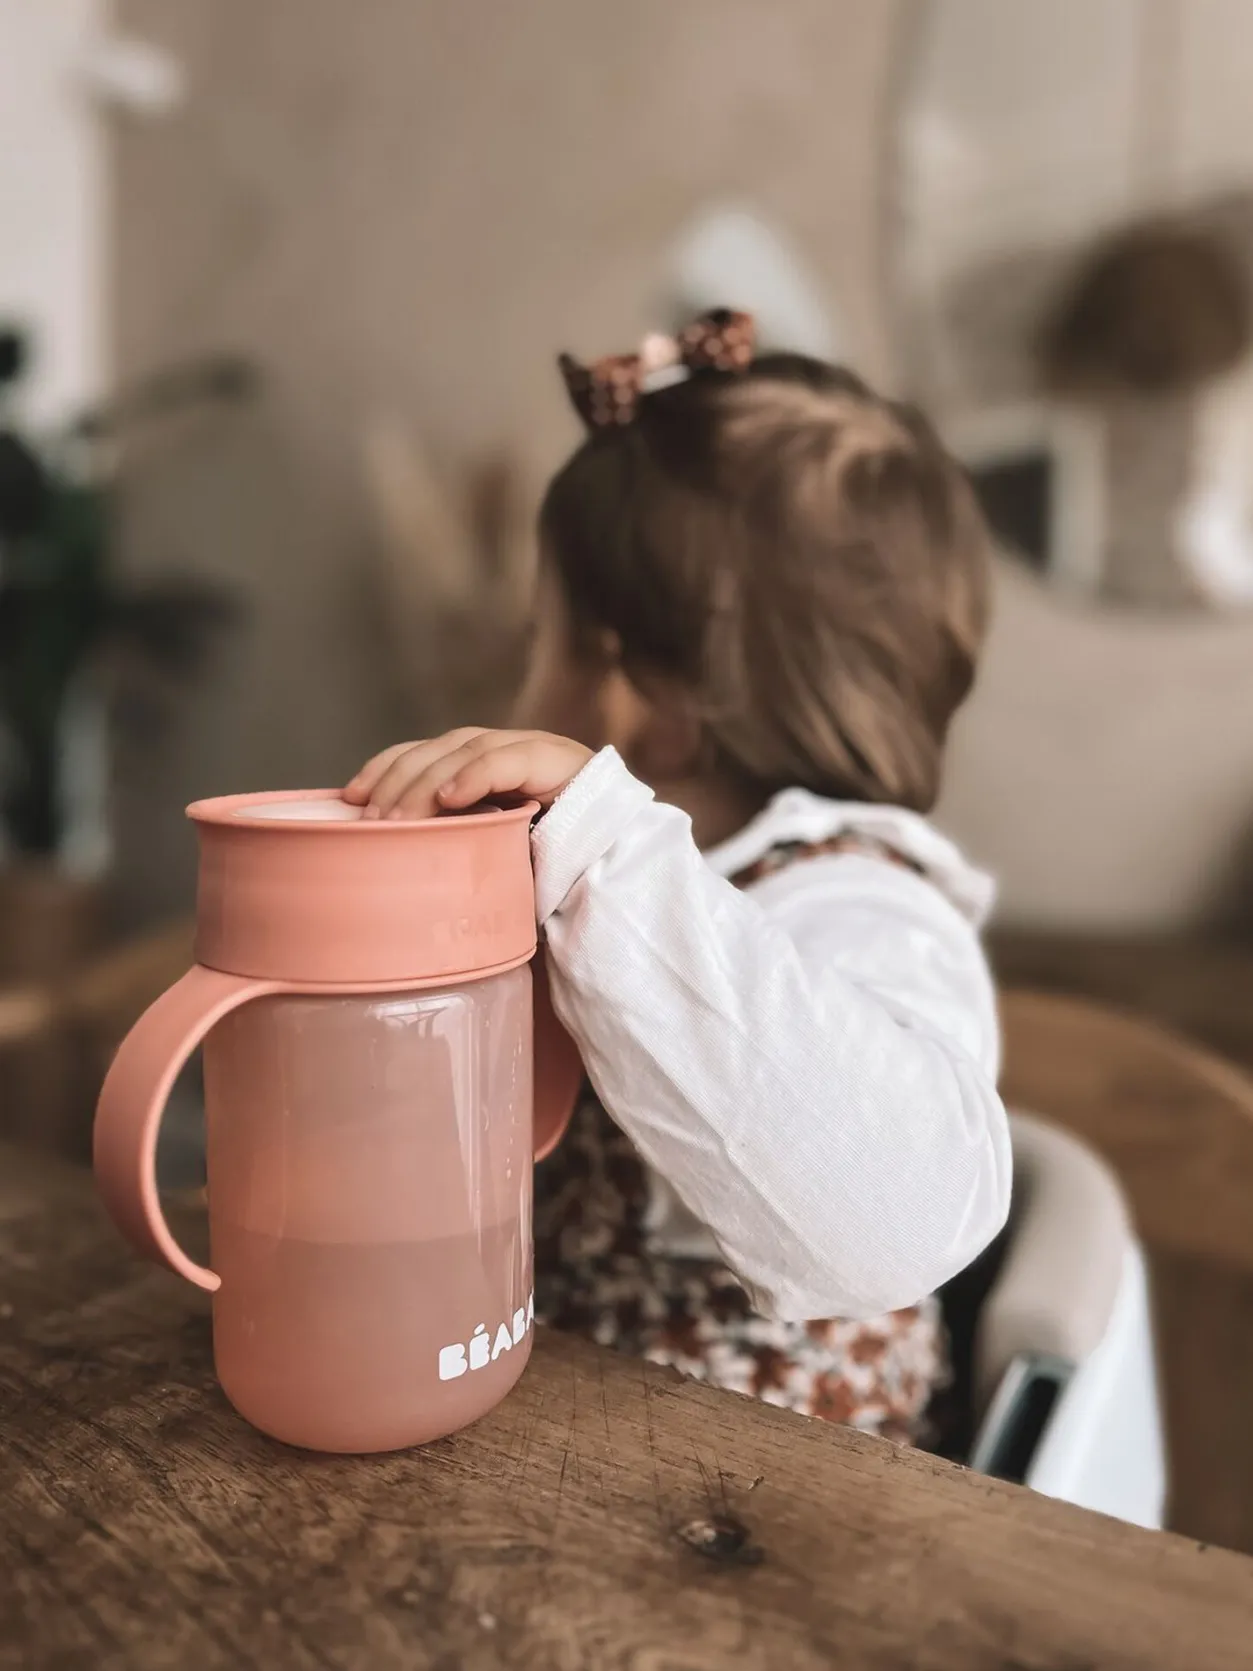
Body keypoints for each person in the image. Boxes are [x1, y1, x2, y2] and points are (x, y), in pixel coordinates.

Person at [344, 309, 1010, 1444]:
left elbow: (899, 1216)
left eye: (537, 638)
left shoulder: (862, 904)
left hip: (769, 1495)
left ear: (628, 695)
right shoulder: (625, 884)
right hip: (553, 1434)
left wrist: (604, 848)